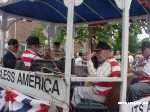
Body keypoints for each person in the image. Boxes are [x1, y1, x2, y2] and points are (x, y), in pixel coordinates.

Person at [71, 41, 121, 107]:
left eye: (99, 52)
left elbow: (94, 78)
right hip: (107, 92)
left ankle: (76, 109)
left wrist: (89, 59)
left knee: (76, 90)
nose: (97, 54)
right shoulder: (113, 62)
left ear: (107, 51)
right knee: (82, 88)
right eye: (96, 52)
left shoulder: (108, 63)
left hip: (103, 94)